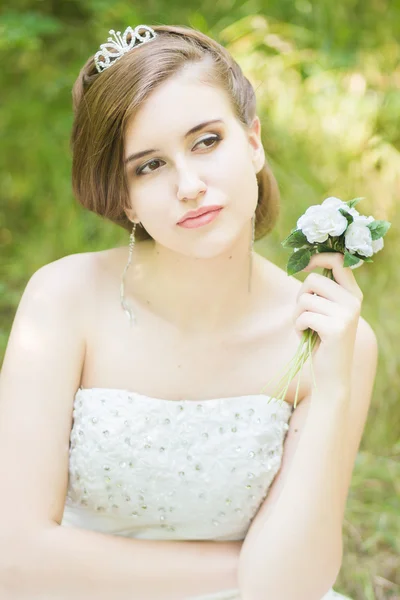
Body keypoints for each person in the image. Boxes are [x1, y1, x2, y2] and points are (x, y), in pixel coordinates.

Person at [0, 23, 378, 600]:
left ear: (253, 141)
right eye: (149, 165)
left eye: (206, 141)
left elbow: (297, 584)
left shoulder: (327, 337)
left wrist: (333, 389)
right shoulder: (63, 299)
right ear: (124, 197)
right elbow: (16, 557)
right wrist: (248, 572)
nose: (190, 185)